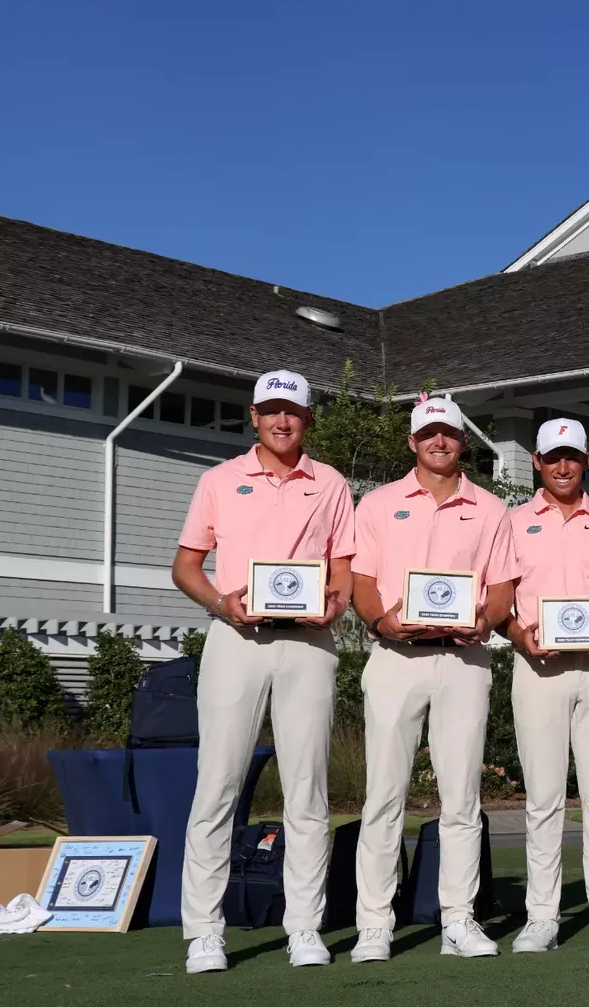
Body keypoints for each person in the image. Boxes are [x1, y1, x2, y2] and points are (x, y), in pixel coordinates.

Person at [173, 369, 355, 974]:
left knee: (308, 790)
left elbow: (341, 565)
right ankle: (205, 933)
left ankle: (304, 927)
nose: (283, 421)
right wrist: (220, 602)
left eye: (293, 411)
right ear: (253, 416)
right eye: (272, 410)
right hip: (236, 640)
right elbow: (186, 566)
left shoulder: (331, 482)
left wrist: (336, 603)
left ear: (308, 419)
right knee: (217, 787)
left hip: (309, 644)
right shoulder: (219, 480)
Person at [348, 394, 517, 962]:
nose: (438, 441)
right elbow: (362, 582)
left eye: (447, 433)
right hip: (394, 658)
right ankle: (375, 924)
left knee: (462, 798)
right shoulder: (377, 504)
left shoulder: (490, 508)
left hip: (464, 661)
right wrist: (380, 620)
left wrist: (485, 620)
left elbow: (502, 588)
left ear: (462, 442)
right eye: (428, 434)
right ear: (412, 442)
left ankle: (459, 920)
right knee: (383, 796)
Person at [500, 418, 589, 951]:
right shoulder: (513, 522)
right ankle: (542, 916)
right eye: (553, 457)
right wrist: (519, 634)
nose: (563, 466)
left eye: (573, 457)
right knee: (543, 797)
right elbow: (500, 599)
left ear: (587, 461)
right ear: (538, 461)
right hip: (537, 668)